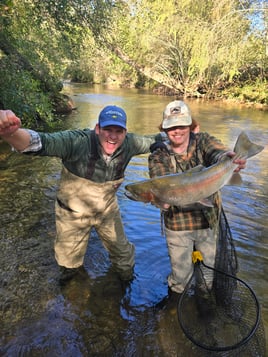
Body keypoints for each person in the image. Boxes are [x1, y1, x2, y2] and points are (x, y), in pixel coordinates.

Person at [0, 105, 165, 284]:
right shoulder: (75, 141)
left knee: (124, 257)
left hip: (107, 211)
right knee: (68, 263)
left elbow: (156, 139)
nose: (113, 136)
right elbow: (39, 142)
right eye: (107, 129)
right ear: (97, 129)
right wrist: (10, 133)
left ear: (125, 133)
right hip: (71, 214)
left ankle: (124, 286)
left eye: (119, 131)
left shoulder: (130, 143)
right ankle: (70, 290)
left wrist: (183, 133)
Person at [148, 100, 246, 300]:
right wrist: (161, 200)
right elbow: (161, 182)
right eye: (172, 126)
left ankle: (204, 303)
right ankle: (175, 309)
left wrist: (229, 159)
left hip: (207, 222)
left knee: (208, 277)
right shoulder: (158, 155)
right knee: (180, 280)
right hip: (178, 226)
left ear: (190, 126)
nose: (177, 131)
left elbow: (217, 153)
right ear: (165, 129)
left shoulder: (203, 141)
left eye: (182, 125)